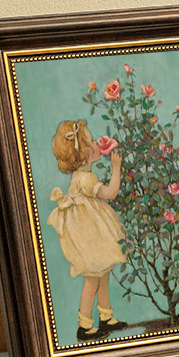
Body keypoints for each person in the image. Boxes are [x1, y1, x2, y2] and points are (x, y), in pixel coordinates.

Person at [47, 120, 129, 342]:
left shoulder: (80, 177)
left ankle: (106, 316)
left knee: (103, 273)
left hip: (91, 232)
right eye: (92, 141)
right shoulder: (86, 179)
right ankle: (84, 325)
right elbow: (111, 193)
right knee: (93, 279)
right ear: (83, 154)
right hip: (89, 236)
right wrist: (116, 168)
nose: (96, 144)